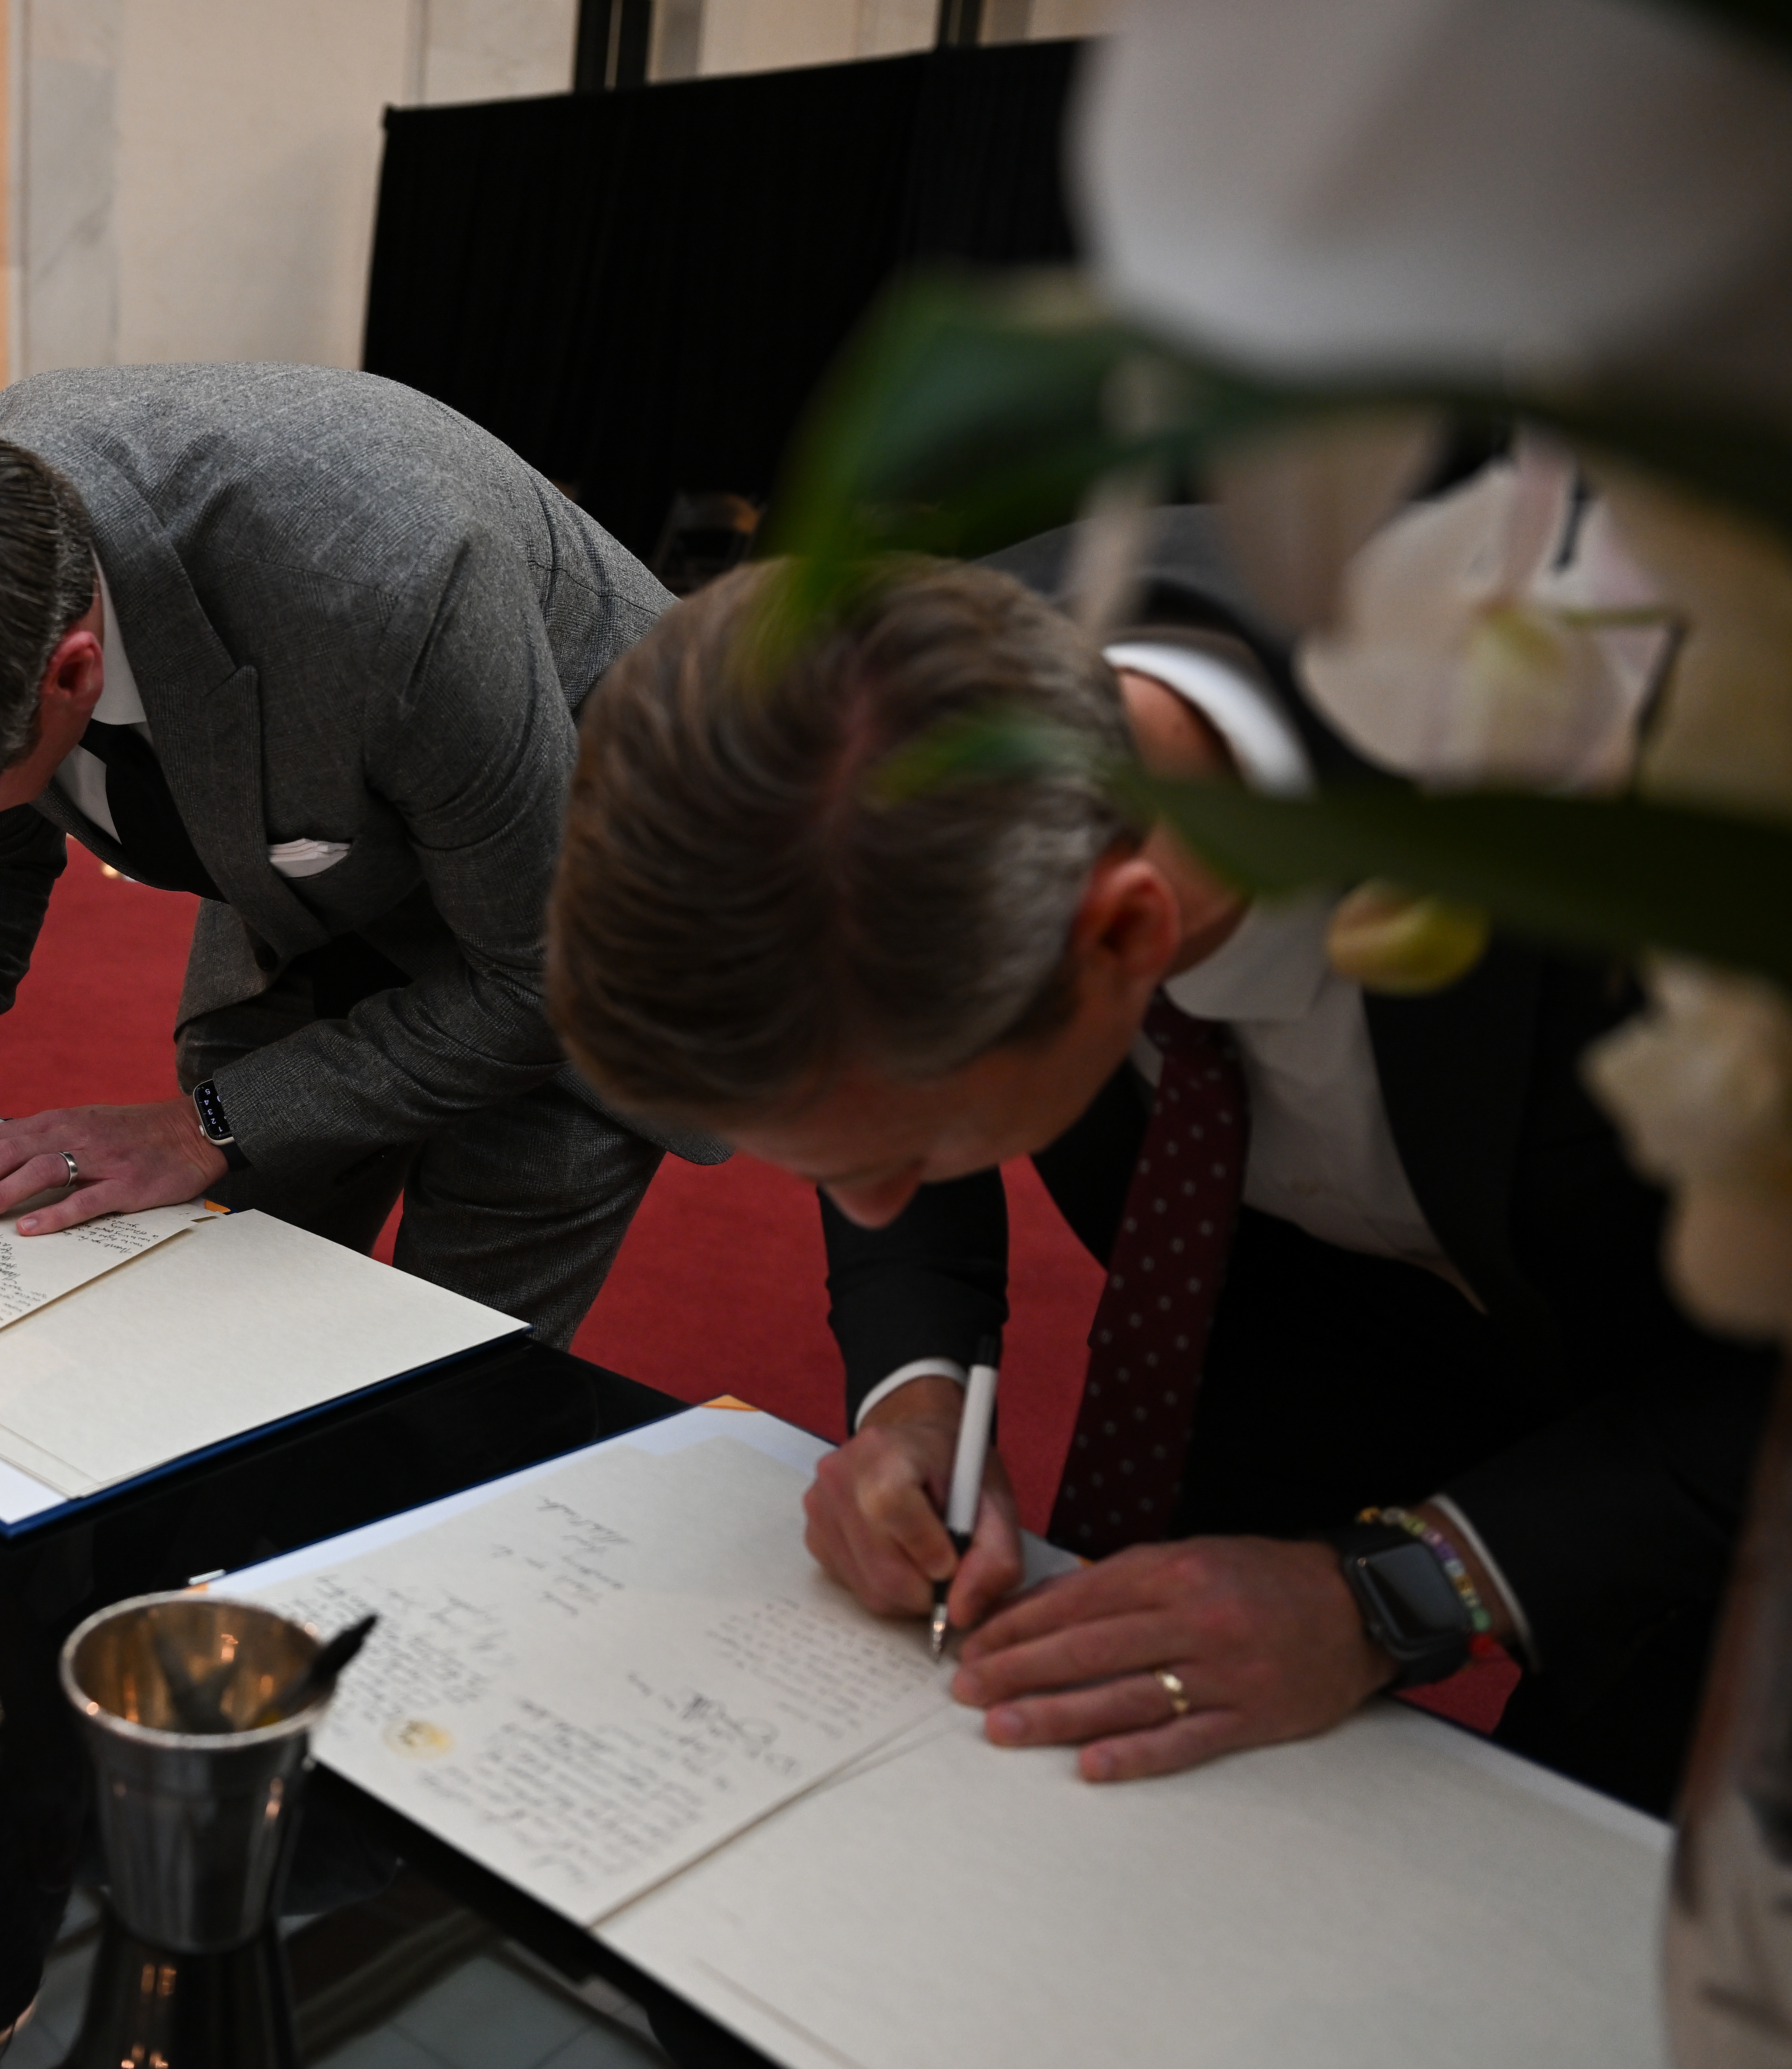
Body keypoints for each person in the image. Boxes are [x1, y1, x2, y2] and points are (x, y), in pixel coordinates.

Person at [544, 515, 1772, 1814]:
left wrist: (1409, 1584)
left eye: (905, 1153)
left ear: (1129, 932)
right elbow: (872, 1035)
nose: (869, 1205)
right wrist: (915, 1392)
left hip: (1712, 1353)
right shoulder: (887, 747)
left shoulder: (1655, 802)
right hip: (1294, 1286)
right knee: (1179, 1757)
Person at [0, 366, 723, 1346]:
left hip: (597, 906)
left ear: (72, 674)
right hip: (308, 877)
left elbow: (539, 985)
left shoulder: (391, 581)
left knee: (435, 1378)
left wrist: (205, 1123)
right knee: (210, 1321)